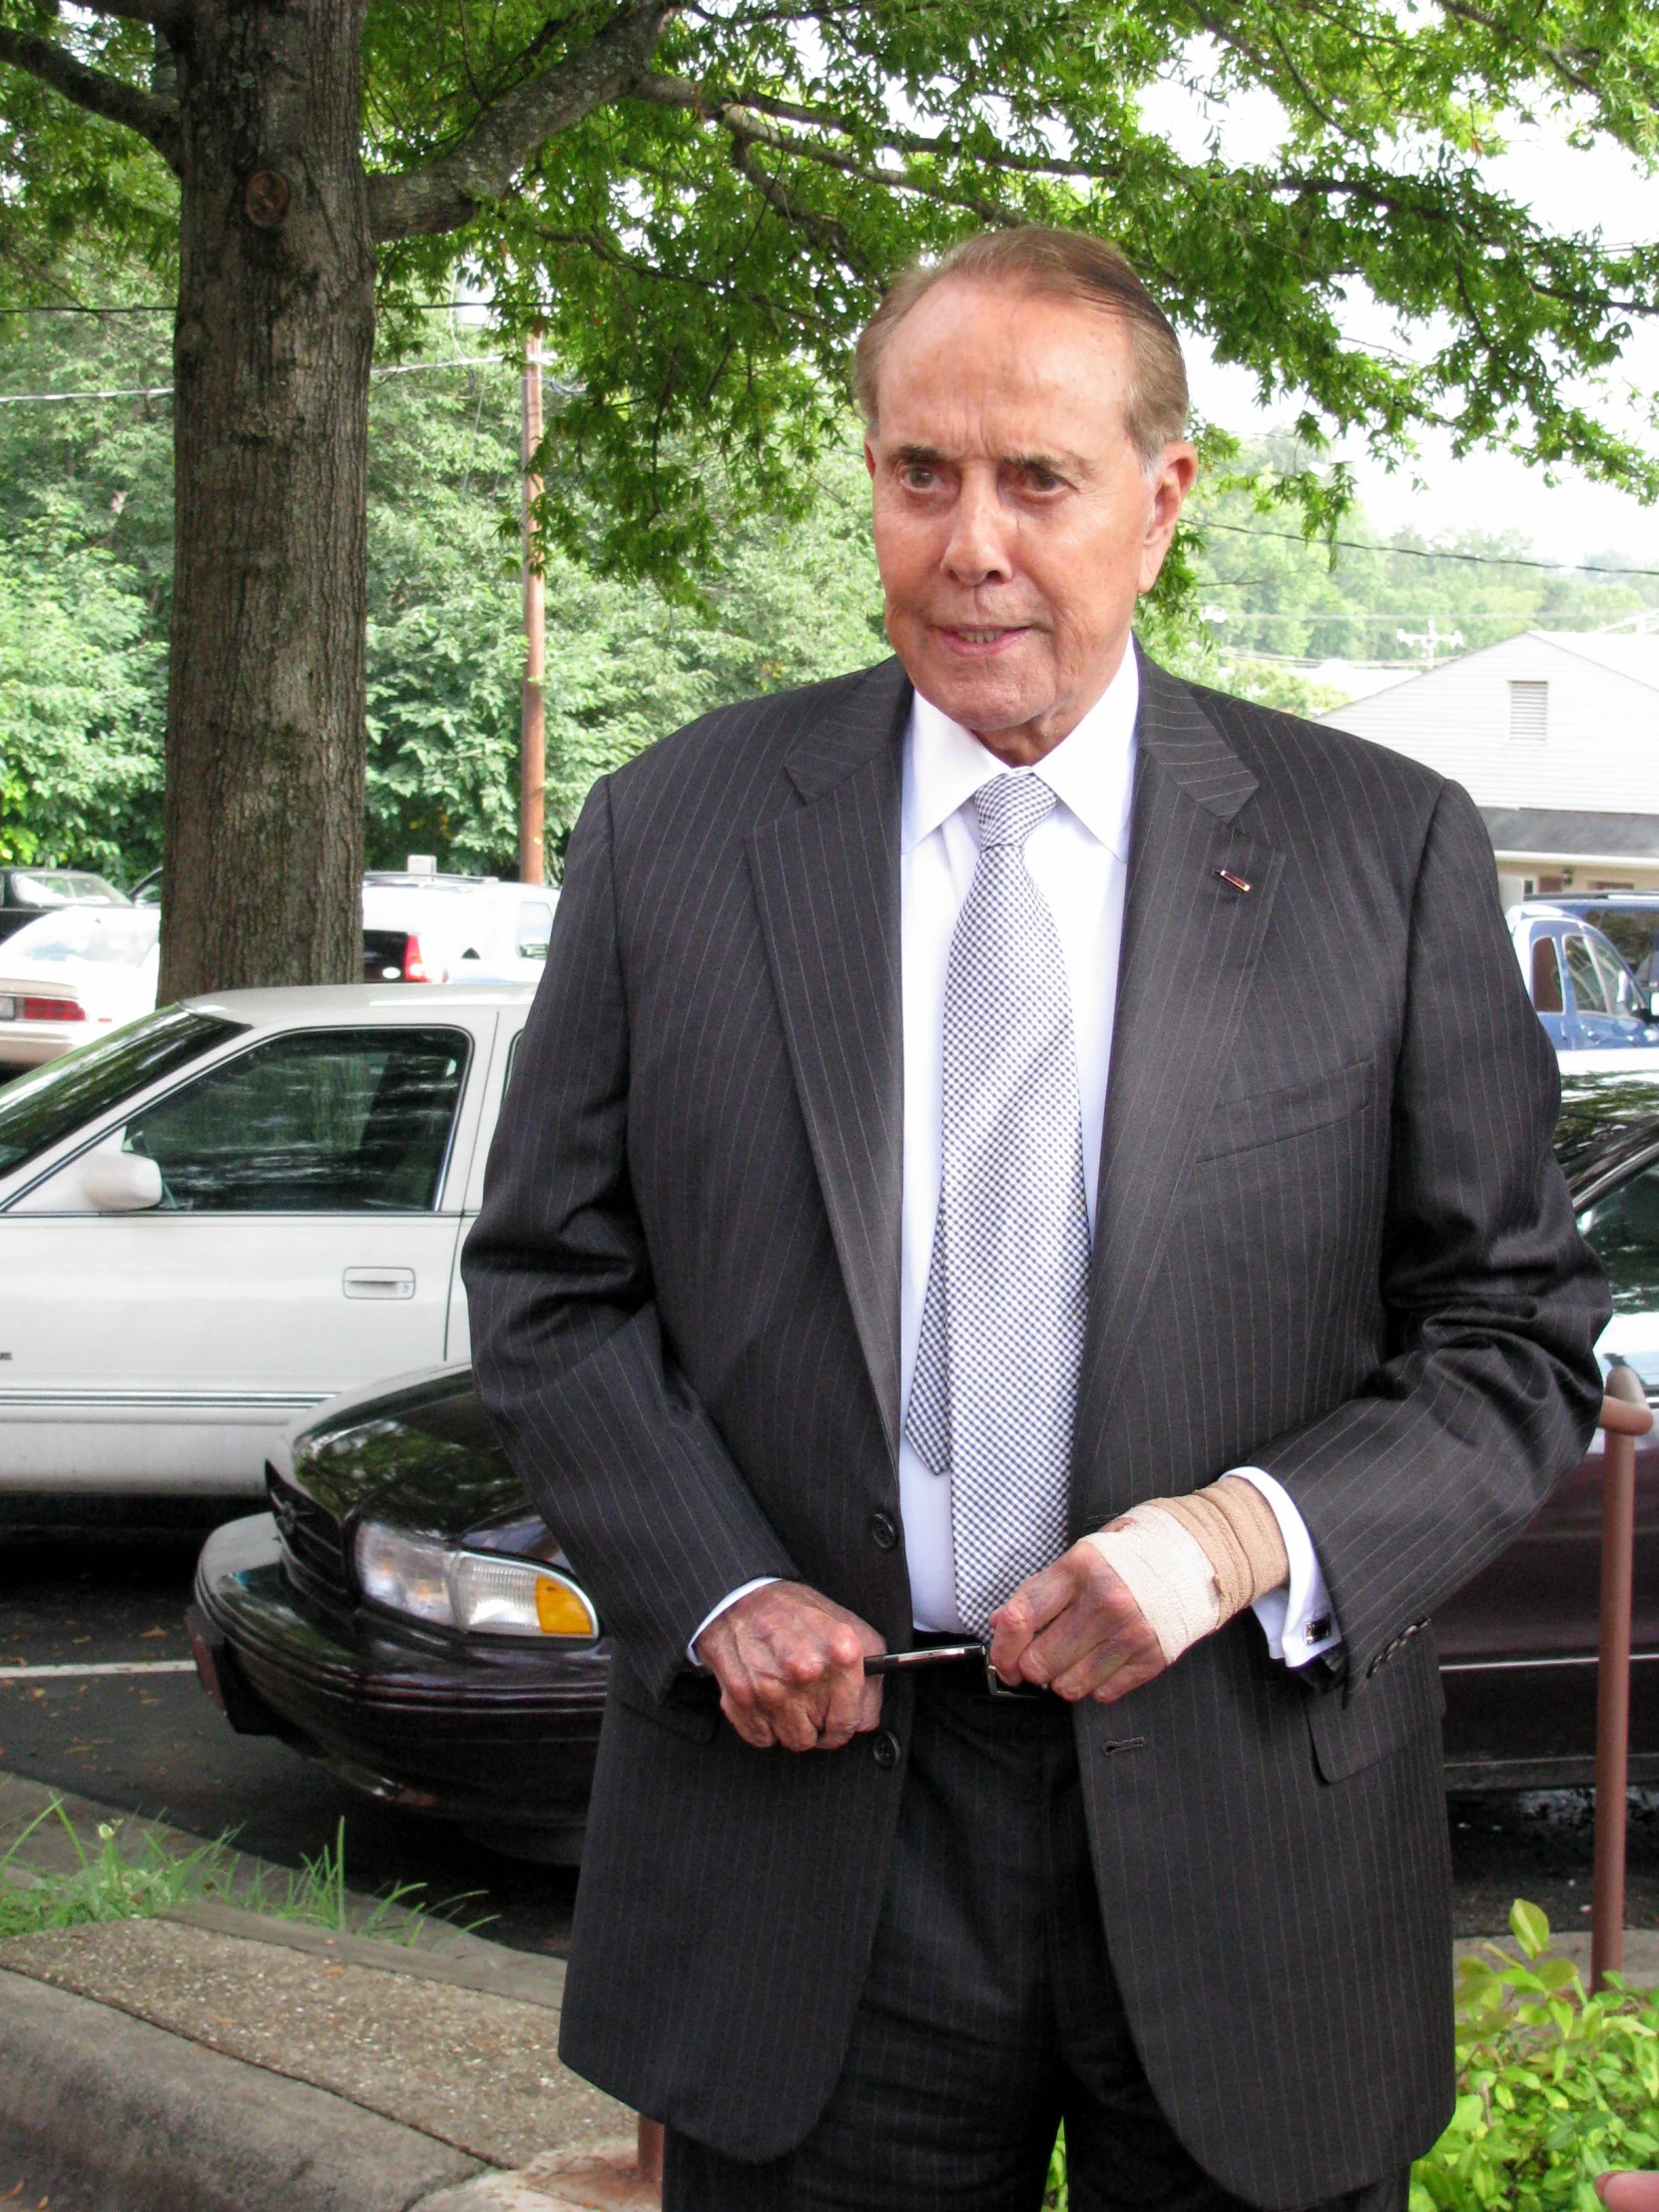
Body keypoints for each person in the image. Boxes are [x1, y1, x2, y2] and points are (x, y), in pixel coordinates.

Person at [462, 227, 1609, 2212]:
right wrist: (721, 1587)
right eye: (921, 473)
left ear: (1163, 502)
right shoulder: (681, 833)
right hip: (808, 1848)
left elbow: (1515, 1338)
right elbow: (555, 1287)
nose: (970, 543)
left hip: (1248, 1831)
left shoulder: (1380, 852)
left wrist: (1243, 1534)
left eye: (1036, 479)